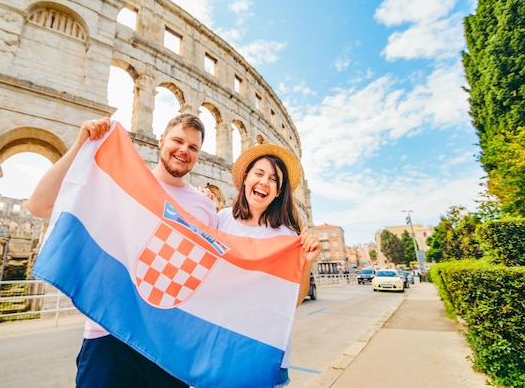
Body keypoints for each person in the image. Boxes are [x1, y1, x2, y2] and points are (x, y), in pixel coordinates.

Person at [26, 113, 217, 388]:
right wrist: (81, 145)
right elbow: (38, 205)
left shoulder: (204, 207)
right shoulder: (121, 184)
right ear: (161, 140)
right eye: (178, 140)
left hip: (168, 343)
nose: (184, 150)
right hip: (109, 334)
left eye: (193, 147)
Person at [217, 143, 321, 387]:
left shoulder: (287, 236)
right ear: (245, 179)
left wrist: (306, 263)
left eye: (274, 179)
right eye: (259, 173)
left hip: (266, 347)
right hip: (222, 342)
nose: (265, 182)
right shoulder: (221, 220)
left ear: (278, 192)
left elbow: (293, 300)